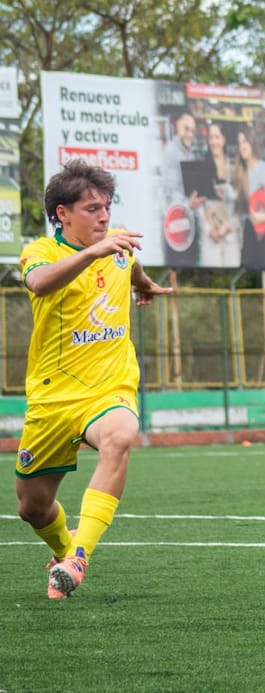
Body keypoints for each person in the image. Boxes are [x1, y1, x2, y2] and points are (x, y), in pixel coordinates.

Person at [16, 160, 171, 598]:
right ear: (63, 214)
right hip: (53, 397)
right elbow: (40, 284)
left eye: (106, 206)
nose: (103, 216)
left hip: (109, 387)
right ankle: (64, 551)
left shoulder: (118, 247)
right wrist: (91, 255)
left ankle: (79, 557)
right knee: (33, 507)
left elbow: (131, 269)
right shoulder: (41, 252)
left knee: (122, 434)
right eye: (91, 208)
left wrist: (144, 286)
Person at [159, 108, 204, 267]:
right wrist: (188, 204)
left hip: (186, 223)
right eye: (186, 129)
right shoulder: (171, 152)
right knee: (177, 266)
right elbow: (170, 193)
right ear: (176, 126)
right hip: (174, 225)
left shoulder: (189, 154)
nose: (190, 134)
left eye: (192, 130)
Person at [232, 127, 265, 270]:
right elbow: (236, 210)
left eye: (245, 141)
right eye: (239, 143)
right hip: (247, 234)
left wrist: (263, 216)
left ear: (252, 143)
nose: (242, 146)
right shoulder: (238, 173)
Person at [196, 121, 240, 267]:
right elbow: (198, 206)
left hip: (230, 237)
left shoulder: (234, 169)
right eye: (211, 138)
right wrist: (209, 230)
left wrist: (228, 225)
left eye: (217, 137)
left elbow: (240, 204)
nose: (214, 141)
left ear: (223, 139)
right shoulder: (201, 169)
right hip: (210, 238)